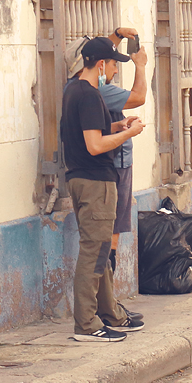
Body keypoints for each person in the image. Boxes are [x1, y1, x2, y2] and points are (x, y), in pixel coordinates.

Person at [62, 37, 146, 342]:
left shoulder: (75, 89)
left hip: (84, 180)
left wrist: (119, 126)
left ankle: (109, 313)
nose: (113, 71)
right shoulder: (87, 95)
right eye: (112, 64)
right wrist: (130, 134)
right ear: (100, 65)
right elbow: (94, 145)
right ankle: (86, 324)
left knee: (98, 250)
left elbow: (92, 130)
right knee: (94, 254)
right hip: (95, 183)